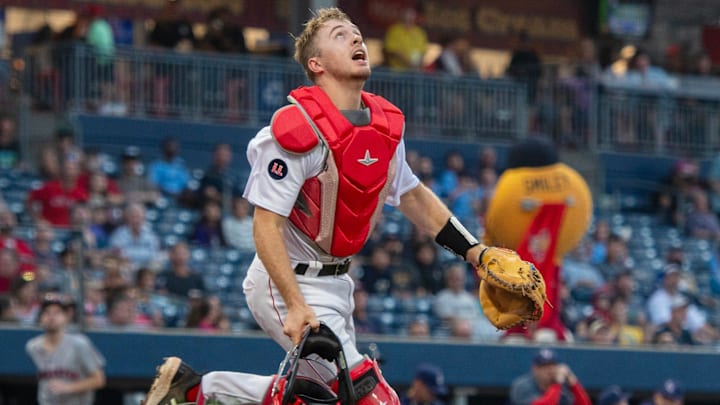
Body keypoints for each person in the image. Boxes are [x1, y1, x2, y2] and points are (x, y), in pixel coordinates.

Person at [142, 7, 513, 405]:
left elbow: (411, 195)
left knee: (317, 397)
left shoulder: (383, 125)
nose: (356, 39)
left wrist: (475, 251)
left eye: (356, 33)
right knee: (371, 397)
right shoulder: (294, 129)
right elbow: (265, 226)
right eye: (340, 35)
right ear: (315, 64)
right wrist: (297, 305)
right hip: (285, 282)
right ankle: (197, 390)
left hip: (338, 283)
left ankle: (193, 390)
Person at [25, 294, 106, 405]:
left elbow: (99, 380)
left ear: (66, 317)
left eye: (57, 312)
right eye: (47, 312)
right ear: (40, 317)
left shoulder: (79, 344)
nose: (51, 317)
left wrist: (69, 387)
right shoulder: (33, 346)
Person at [508, 348, 591, 405]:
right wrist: (557, 384)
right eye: (544, 366)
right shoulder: (522, 386)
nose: (550, 370)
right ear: (534, 369)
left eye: (552, 365)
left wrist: (573, 384)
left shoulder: (563, 385)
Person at [383, 7, 428, 71]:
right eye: (407, 18)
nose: (409, 20)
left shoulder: (420, 32)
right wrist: (409, 63)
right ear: (402, 17)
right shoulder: (394, 30)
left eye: (411, 18)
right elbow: (393, 50)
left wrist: (418, 65)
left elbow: (422, 52)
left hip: (415, 72)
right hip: (398, 72)